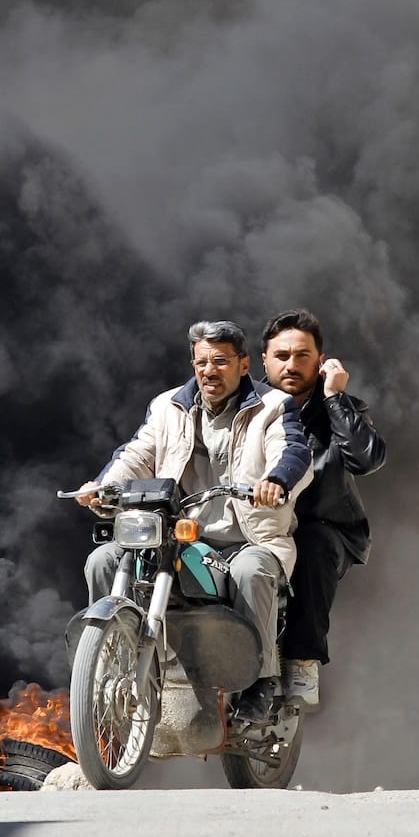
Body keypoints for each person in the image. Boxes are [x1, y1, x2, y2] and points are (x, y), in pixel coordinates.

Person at [76, 320, 312, 723]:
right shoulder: (168, 406)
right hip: (179, 536)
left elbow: (293, 452)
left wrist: (275, 481)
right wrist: (103, 486)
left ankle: (260, 681)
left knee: (252, 572)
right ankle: (116, 655)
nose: (209, 370)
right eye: (201, 361)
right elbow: (136, 454)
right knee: (104, 559)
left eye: (220, 360)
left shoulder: (273, 406)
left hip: (247, 537)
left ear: (243, 363)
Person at [260, 308, 387, 711]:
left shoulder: (339, 407)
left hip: (323, 524)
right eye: (282, 356)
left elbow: (366, 458)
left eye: (302, 355)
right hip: (257, 524)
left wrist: (334, 396)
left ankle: (302, 661)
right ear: (263, 359)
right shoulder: (250, 406)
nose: (291, 365)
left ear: (321, 360)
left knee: (311, 545)